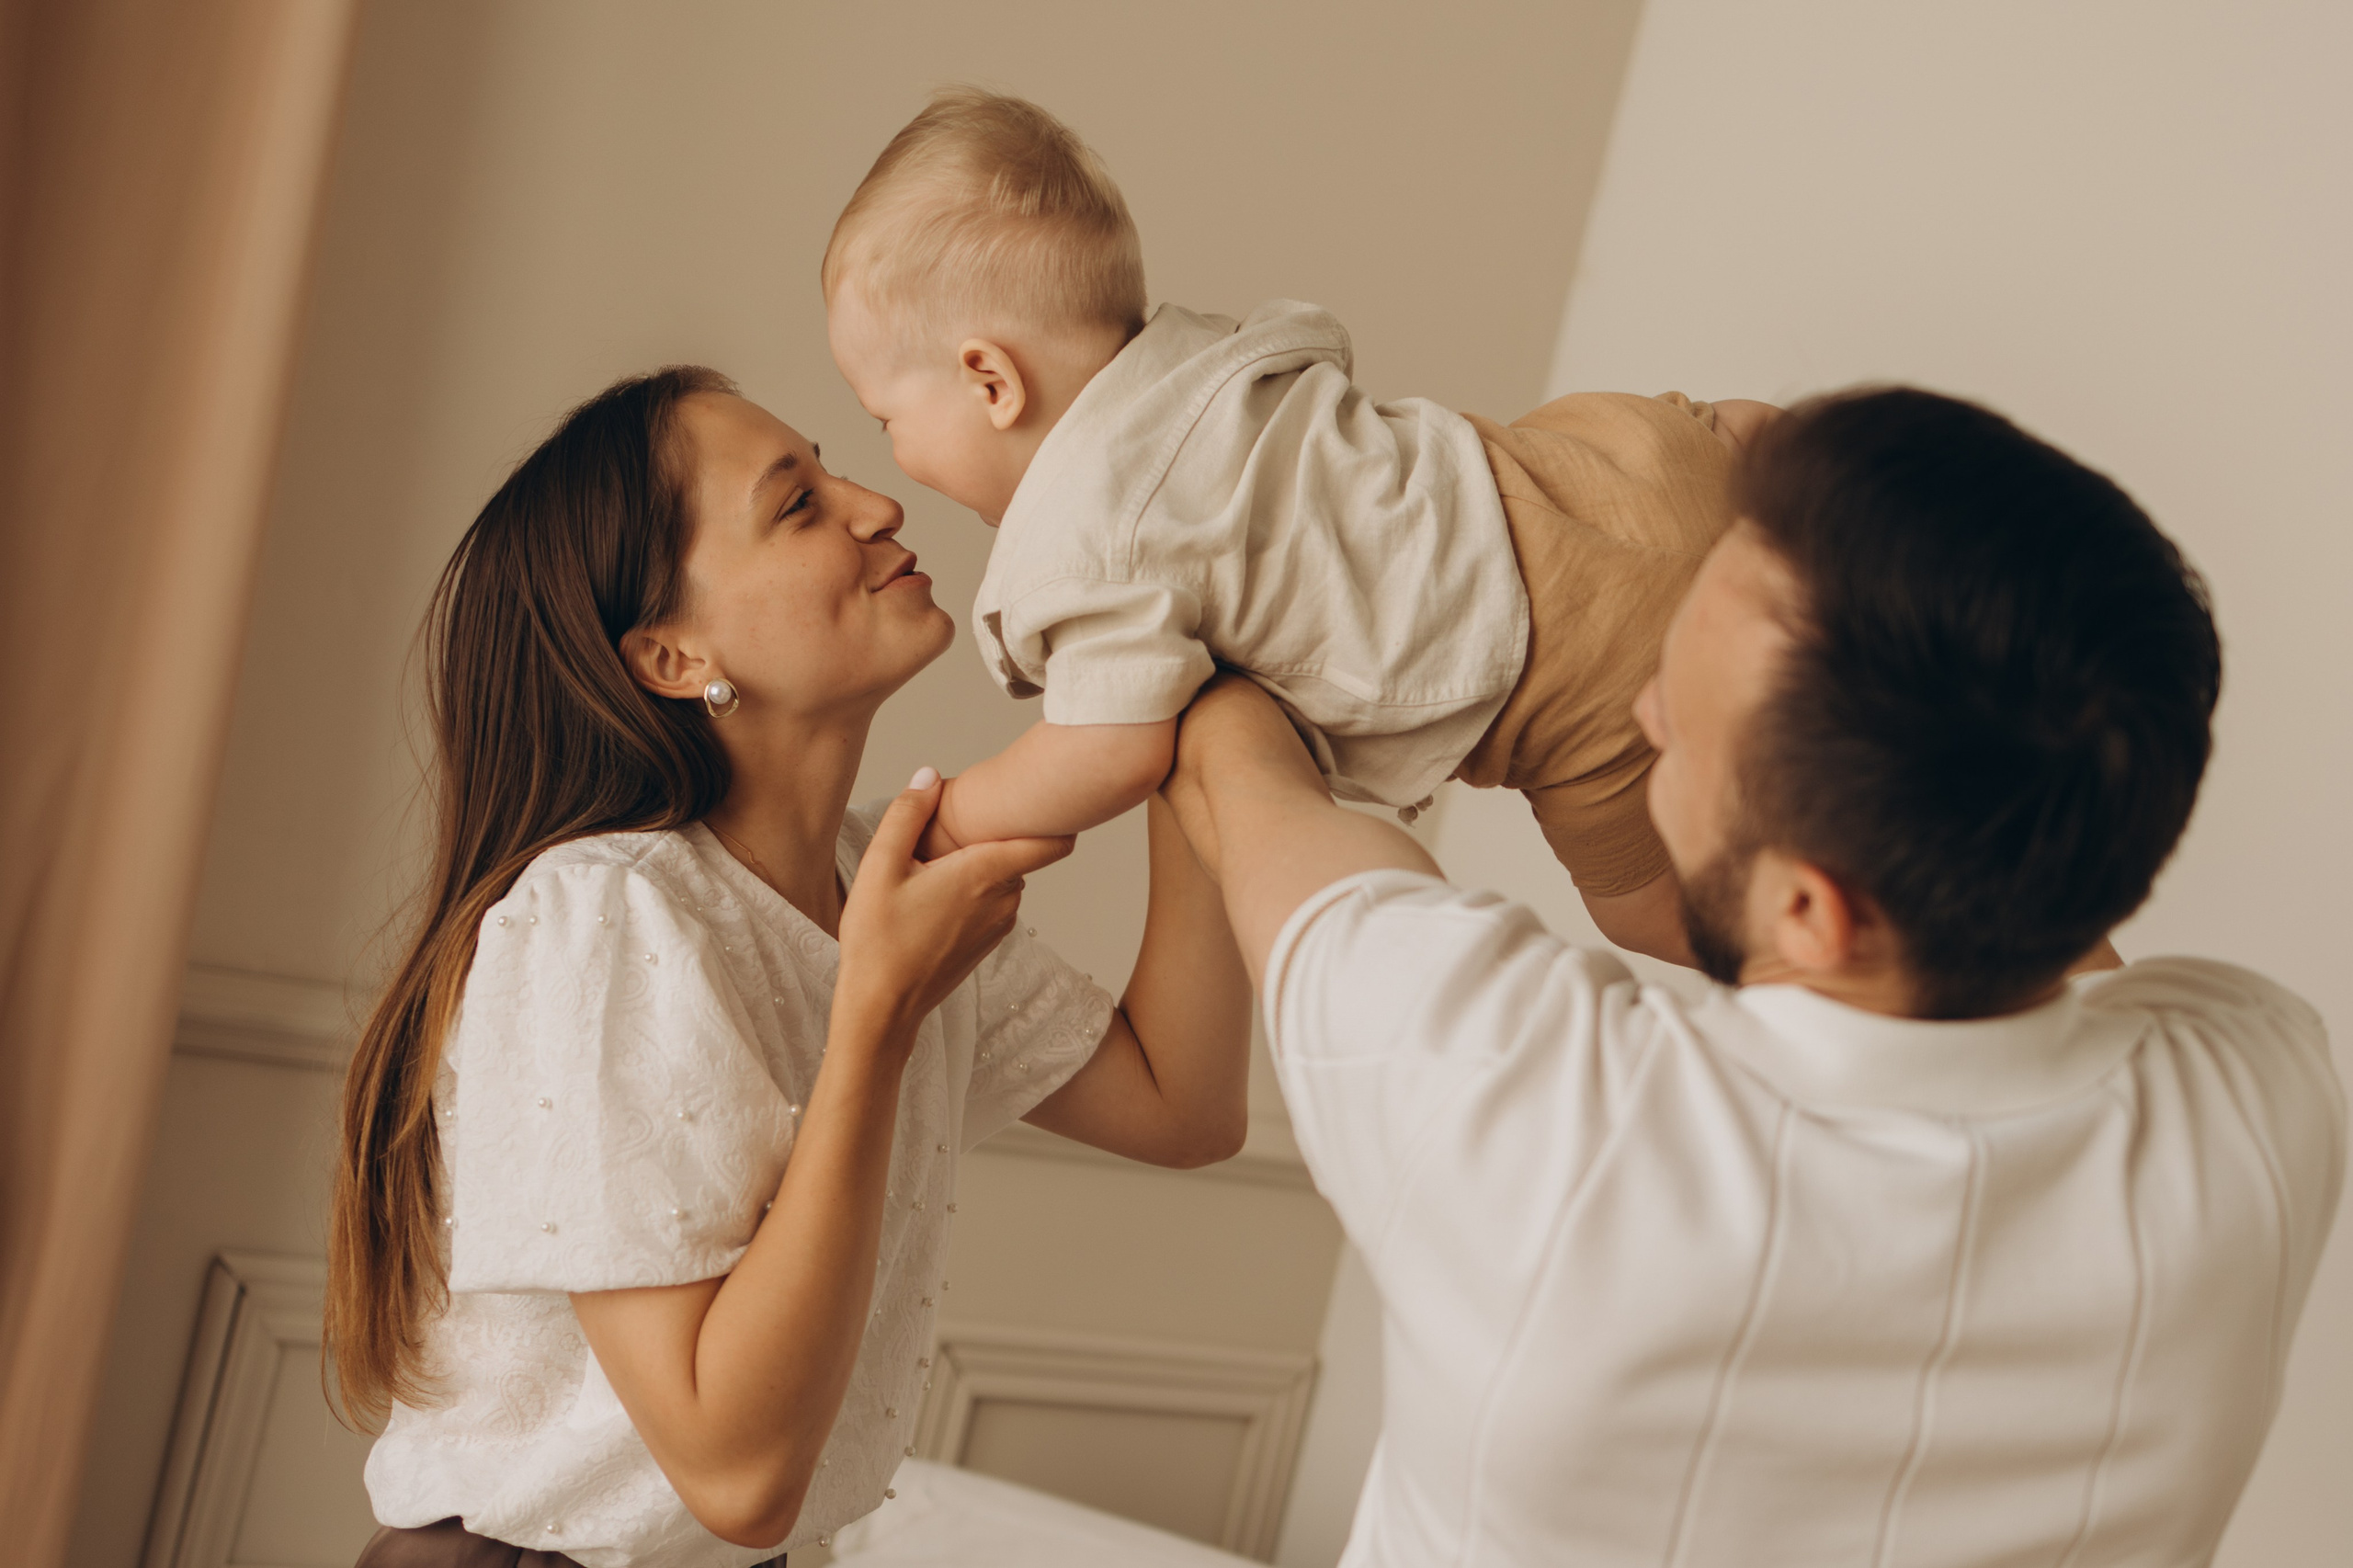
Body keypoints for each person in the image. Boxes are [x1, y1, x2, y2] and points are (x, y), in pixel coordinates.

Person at [1155, 386, 2344, 1564]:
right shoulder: (2257, 1102)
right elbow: (2049, 866)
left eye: (1676, 723)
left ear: (1811, 912)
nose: (1641, 706)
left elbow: (1238, 774)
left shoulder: (1531, 1112)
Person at [327, 368, 1253, 1568]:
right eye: (799, 503)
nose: (878, 504)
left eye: (832, 470)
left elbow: (1183, 1105)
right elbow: (737, 1475)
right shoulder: (603, 916)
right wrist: (878, 1011)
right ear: (671, 655)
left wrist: (1202, 699)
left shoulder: (878, 885)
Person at [822, 87, 1781, 963]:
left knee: (1645, 915)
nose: (893, 456)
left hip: (1573, 671)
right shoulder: (1197, 360)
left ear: (990, 381)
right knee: (1724, 439)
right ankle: (1796, 454)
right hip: (1614, 458)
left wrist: (959, 814)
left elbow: (1108, 746)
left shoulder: (1088, 543)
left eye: (886, 419)